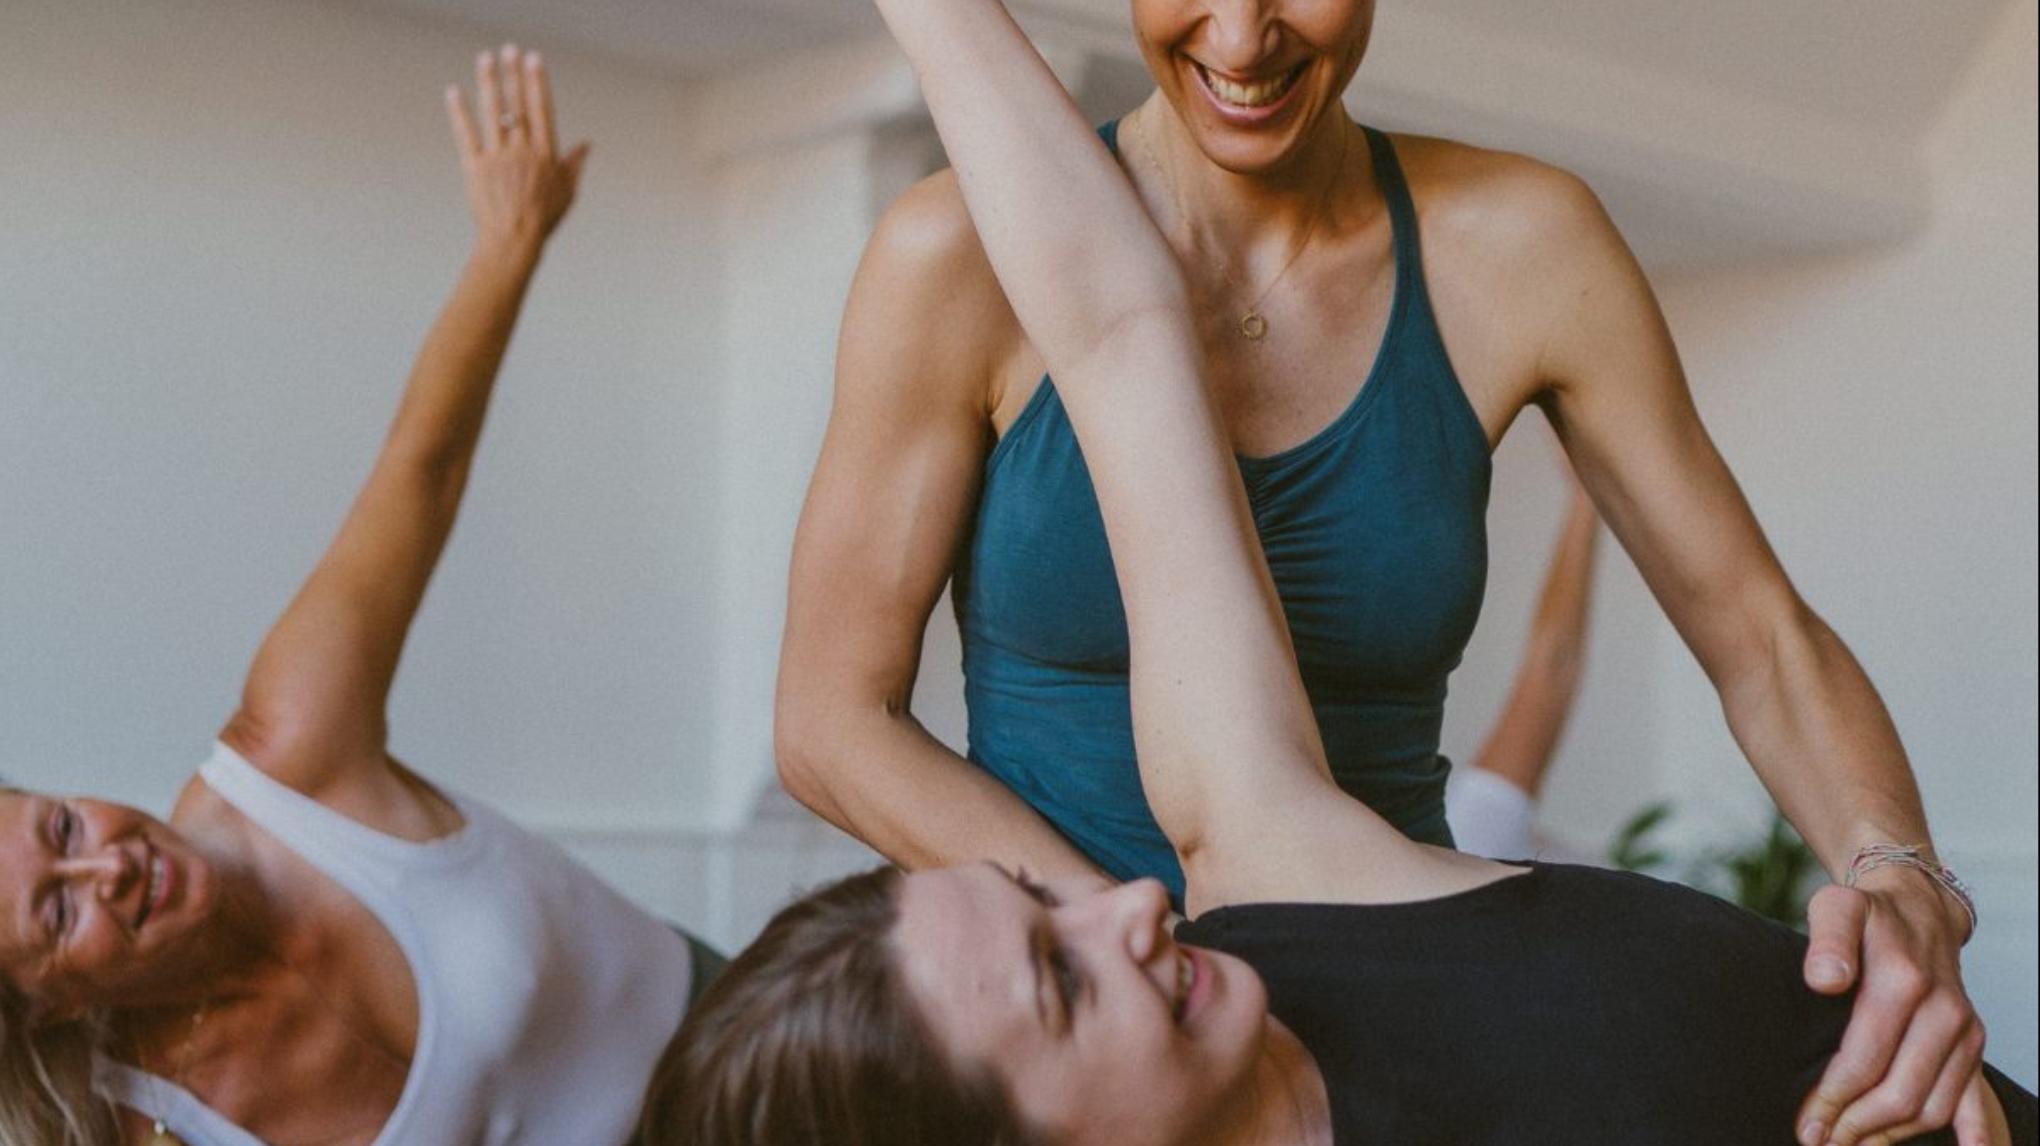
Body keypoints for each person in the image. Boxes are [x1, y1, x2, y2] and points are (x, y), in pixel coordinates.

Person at [642, 4, 2034, 1144]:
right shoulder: (951, 258)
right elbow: (830, 717)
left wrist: (1901, 873)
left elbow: (1759, 631)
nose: (1242, 37)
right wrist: (1142, 938)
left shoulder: (1523, 245)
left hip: (1339, 905)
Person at [0, 47, 706, 1145]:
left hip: (754, 1042)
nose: (111, 864)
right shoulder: (159, 1129)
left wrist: (509, 243)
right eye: (59, 907)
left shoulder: (287, 759)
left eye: (62, 825)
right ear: (46, 1004)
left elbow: (421, 473)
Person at [1446, 469, 1600, 863]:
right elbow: (1553, 663)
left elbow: (1554, 663)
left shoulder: (1467, 831)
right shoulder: (1469, 835)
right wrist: (1587, 491)